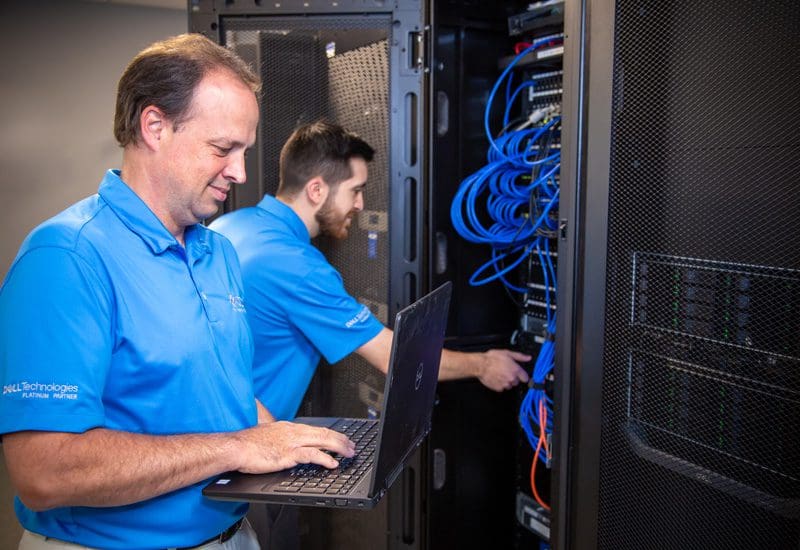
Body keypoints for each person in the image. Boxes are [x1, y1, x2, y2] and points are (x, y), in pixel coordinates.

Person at [0, 35, 355, 550]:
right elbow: (45, 471)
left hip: (233, 533)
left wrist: (283, 440)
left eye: (244, 151)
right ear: (155, 126)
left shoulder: (218, 252)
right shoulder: (67, 257)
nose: (238, 172)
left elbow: (219, 384)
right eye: (222, 148)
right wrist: (239, 447)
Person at [211, 120, 532, 425]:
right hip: (244, 450)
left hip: (212, 430)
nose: (361, 204)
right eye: (355, 190)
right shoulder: (296, 264)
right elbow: (393, 357)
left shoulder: (228, 226)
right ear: (317, 190)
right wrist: (483, 365)